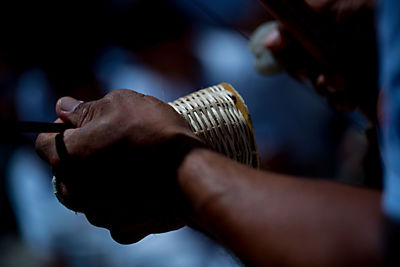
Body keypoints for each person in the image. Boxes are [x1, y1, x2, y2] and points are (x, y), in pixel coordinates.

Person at [35, 0, 397, 265]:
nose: (273, 42)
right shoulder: (135, 86)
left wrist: (177, 165)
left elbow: (380, 243)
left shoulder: (233, 62)